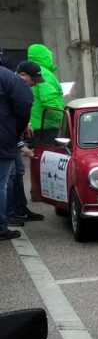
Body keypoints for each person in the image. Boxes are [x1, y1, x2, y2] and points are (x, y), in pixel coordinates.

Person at [0, 62, 33, 241]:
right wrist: (17, 135)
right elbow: (24, 104)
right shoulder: (8, 77)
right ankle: (3, 225)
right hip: (4, 139)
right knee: (3, 183)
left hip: (7, 137)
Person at [24, 45, 64, 148]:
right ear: (46, 57)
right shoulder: (44, 74)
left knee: (36, 154)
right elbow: (49, 100)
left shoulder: (28, 72)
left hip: (33, 125)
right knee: (47, 155)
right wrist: (61, 118)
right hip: (46, 126)